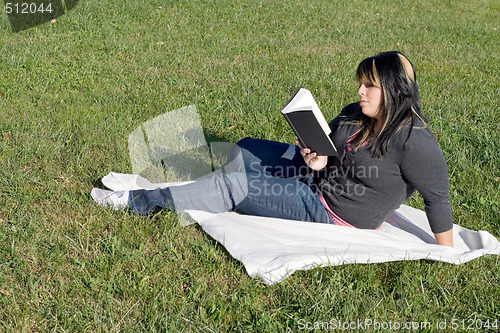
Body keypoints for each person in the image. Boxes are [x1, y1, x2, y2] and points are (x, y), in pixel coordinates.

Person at [91, 51, 454, 247]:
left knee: (237, 185)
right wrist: (317, 156)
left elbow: (437, 199)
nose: (360, 92)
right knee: (244, 150)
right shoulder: (357, 113)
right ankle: (203, 191)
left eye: (369, 86)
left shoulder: (415, 142)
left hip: (328, 209)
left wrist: (448, 252)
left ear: (393, 90)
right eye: (360, 84)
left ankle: (139, 201)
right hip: (312, 175)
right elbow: (327, 143)